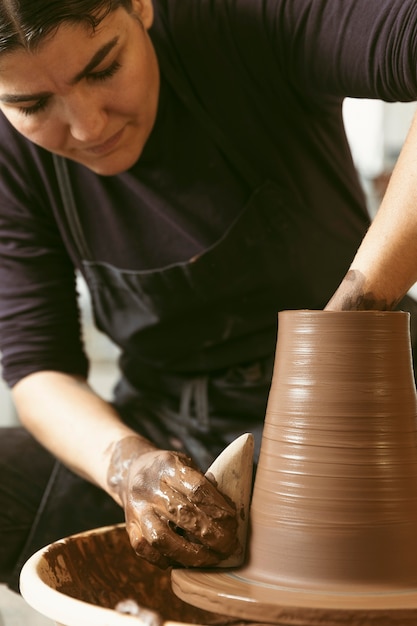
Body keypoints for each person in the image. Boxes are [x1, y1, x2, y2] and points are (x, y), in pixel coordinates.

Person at [1, 0, 417, 594]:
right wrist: (127, 468)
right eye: (33, 104)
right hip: (168, 439)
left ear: (140, 6)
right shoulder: (12, 156)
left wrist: (351, 321)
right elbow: (37, 368)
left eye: (103, 68)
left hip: (364, 419)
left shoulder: (243, 18)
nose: (88, 124)